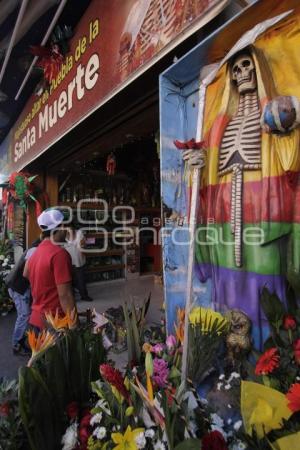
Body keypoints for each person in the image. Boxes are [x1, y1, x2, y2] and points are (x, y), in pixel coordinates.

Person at [183, 42, 300, 347]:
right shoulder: (220, 128)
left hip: (264, 220)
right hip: (224, 222)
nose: (241, 73)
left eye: (247, 65)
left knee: (266, 289)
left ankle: (272, 362)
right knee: (229, 289)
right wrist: (192, 169)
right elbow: (204, 180)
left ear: (257, 68)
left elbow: (289, 167)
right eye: (235, 69)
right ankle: (234, 364)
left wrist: (287, 130)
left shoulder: (274, 115)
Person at [23, 209, 76, 330]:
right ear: (62, 226)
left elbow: (26, 274)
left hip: (36, 319)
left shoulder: (36, 251)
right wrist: (74, 325)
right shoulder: (59, 254)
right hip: (54, 322)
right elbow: (65, 295)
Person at [5, 238, 41, 355]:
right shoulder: (35, 250)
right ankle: (16, 344)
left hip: (19, 286)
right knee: (24, 315)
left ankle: (27, 339)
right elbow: (27, 273)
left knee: (27, 314)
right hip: (18, 287)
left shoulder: (34, 248)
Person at [64, 224, 93, 302]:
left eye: (70, 228)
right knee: (70, 281)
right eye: (67, 228)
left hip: (79, 261)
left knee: (81, 280)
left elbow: (83, 245)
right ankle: (72, 297)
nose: (69, 230)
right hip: (68, 262)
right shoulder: (64, 236)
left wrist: (82, 248)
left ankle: (84, 296)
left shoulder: (79, 233)